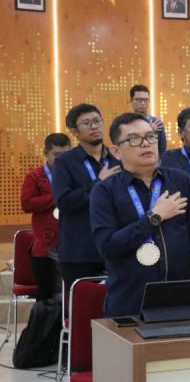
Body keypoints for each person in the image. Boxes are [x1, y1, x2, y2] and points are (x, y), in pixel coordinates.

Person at [90, 113, 190, 317]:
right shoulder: (105, 191)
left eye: (150, 136)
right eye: (134, 139)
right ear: (115, 151)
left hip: (180, 297)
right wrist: (154, 217)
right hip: (129, 300)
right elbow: (108, 247)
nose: (145, 144)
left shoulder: (180, 181)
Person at [53, 104, 121, 292]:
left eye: (97, 121)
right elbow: (64, 202)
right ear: (75, 131)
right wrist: (98, 183)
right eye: (87, 123)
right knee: (79, 313)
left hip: (116, 248)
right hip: (80, 250)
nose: (94, 126)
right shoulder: (64, 161)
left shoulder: (118, 157)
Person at [20, 133, 71, 300]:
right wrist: (57, 196)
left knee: (72, 297)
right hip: (46, 247)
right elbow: (27, 204)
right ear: (46, 153)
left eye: (66, 155)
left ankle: (69, 326)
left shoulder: (75, 175)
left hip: (73, 244)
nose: (62, 159)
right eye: (57, 155)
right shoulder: (35, 176)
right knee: (49, 297)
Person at [129, 84, 167, 156]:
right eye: (139, 100)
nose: (143, 103)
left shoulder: (156, 122)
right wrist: (149, 129)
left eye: (146, 100)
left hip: (153, 162)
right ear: (131, 100)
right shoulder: (125, 122)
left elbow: (162, 150)